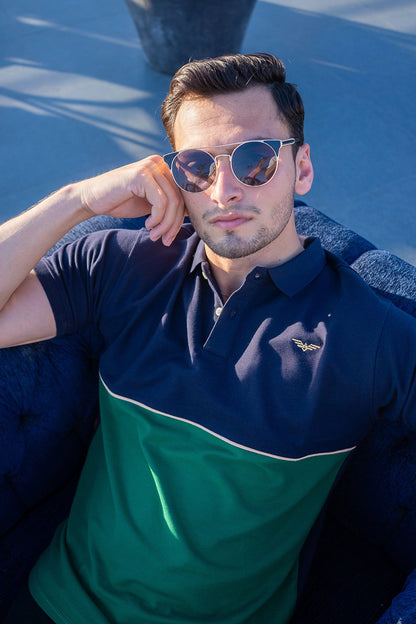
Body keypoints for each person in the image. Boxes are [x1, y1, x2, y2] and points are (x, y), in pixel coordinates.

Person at [1, 52, 416, 624]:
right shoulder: (123, 265)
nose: (224, 191)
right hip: (58, 604)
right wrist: (78, 200)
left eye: (255, 159)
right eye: (197, 166)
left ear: (302, 169)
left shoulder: (366, 334)